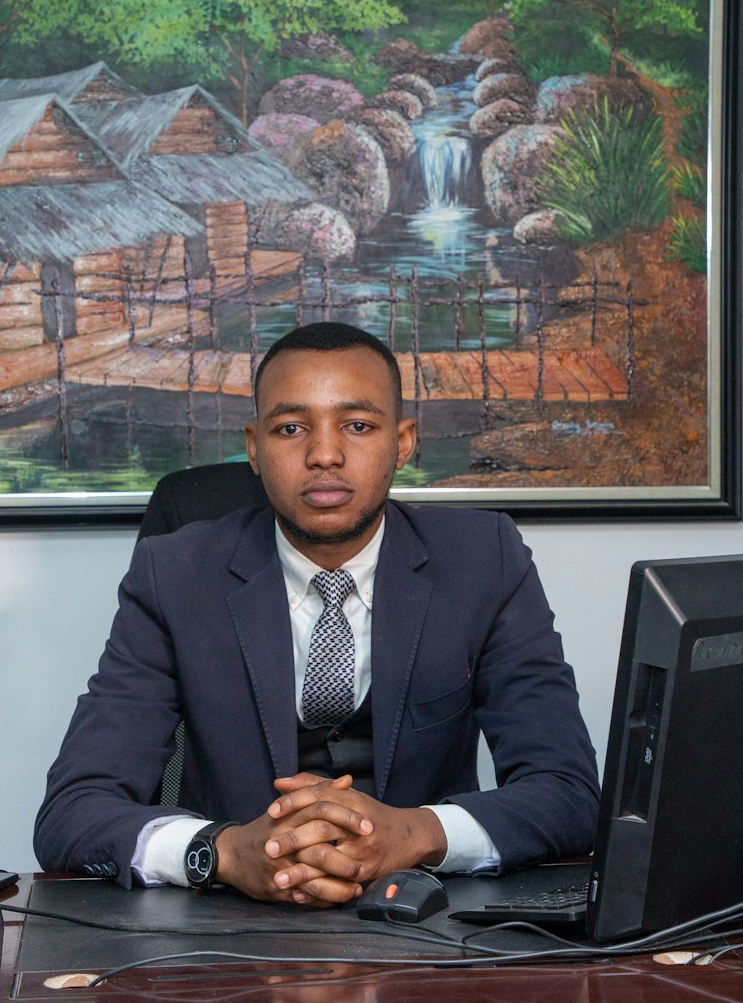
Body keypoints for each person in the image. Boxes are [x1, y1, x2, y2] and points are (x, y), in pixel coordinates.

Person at [34, 322, 598, 905]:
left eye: (357, 426)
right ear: (254, 447)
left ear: (403, 442)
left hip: (428, 920)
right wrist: (223, 852)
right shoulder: (174, 575)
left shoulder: (485, 560)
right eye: (290, 428)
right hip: (227, 934)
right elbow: (72, 813)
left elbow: (567, 791)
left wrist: (416, 834)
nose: (324, 454)